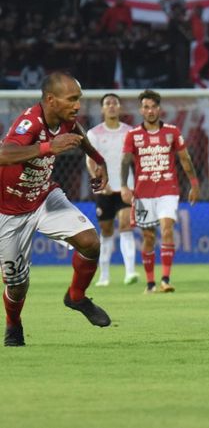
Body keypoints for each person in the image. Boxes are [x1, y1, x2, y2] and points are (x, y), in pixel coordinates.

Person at [0, 72, 112, 347]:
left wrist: (98, 159)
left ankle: (76, 296)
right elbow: (3, 154)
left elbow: (77, 133)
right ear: (51, 100)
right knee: (16, 284)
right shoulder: (29, 123)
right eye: (72, 99)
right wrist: (49, 147)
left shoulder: (66, 120)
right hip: (9, 209)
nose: (77, 105)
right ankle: (14, 324)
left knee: (90, 242)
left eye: (79, 99)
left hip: (44, 196)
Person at [120, 89, 200, 294]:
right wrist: (123, 186)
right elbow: (126, 161)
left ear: (159, 109)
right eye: (146, 107)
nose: (150, 110)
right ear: (141, 110)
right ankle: (150, 283)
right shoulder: (132, 135)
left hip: (168, 189)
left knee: (166, 230)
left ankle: (165, 279)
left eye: (154, 106)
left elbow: (184, 159)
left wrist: (194, 183)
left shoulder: (172, 132)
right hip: (143, 193)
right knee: (148, 237)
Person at [85, 93, 138, 287]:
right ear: (102, 109)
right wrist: (100, 183)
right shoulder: (94, 133)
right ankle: (104, 276)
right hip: (104, 189)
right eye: (108, 103)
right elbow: (90, 161)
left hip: (125, 187)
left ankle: (130, 272)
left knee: (126, 225)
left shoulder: (130, 132)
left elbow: (136, 160)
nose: (112, 106)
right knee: (106, 231)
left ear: (120, 108)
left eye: (115, 103)